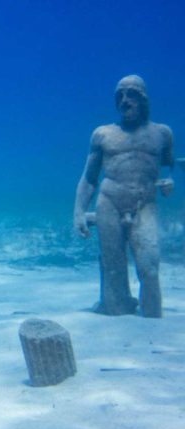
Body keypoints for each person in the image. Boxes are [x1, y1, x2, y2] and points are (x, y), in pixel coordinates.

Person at [73, 75, 174, 317]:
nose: (125, 100)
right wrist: (78, 211)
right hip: (109, 203)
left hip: (144, 205)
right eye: (120, 95)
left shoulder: (162, 134)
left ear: (143, 99)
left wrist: (171, 180)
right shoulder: (103, 134)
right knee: (114, 267)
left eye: (131, 94)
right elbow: (89, 177)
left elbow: (170, 165)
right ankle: (116, 310)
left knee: (149, 266)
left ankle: (151, 316)